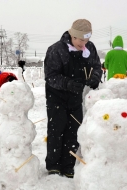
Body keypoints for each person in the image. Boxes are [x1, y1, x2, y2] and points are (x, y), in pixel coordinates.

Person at [44, 19, 102, 178]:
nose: (84, 43)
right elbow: (50, 76)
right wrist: (68, 83)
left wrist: (95, 77)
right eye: (81, 39)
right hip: (56, 96)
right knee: (57, 129)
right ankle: (54, 165)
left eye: (87, 39)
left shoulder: (89, 48)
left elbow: (97, 66)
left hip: (76, 97)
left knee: (74, 130)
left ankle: (69, 165)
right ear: (72, 35)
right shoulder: (56, 50)